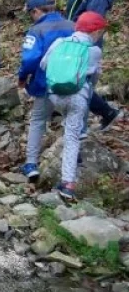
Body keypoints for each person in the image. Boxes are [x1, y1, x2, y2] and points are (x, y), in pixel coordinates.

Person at [40, 11, 107, 201]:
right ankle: (68, 183)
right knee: (72, 137)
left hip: (55, 96)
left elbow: (44, 65)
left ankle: (71, 137)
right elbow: (95, 76)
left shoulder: (59, 43)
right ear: (95, 32)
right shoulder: (94, 51)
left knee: (68, 122)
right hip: (77, 97)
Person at [16, 0, 74, 182]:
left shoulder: (37, 30)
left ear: (35, 11)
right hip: (73, 82)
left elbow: (30, 59)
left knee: (38, 120)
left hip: (45, 83)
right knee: (71, 122)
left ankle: (31, 164)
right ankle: (73, 163)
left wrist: (22, 77)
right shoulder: (72, 25)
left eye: (30, 13)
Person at [64, 0, 122, 134]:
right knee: (79, 83)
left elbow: (91, 25)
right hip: (76, 40)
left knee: (82, 84)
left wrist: (78, 43)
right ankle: (107, 113)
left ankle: (81, 130)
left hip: (85, 46)